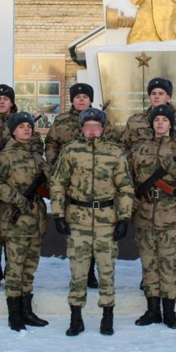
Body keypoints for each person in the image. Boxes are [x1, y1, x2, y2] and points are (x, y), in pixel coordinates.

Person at [49, 108, 134, 336]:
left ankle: (108, 316)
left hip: (106, 219)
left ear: (103, 128)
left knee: (107, 270)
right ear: (82, 128)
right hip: (78, 219)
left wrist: (124, 217)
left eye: (96, 127)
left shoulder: (115, 152)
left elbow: (125, 186)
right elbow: (58, 183)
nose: (92, 131)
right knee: (78, 271)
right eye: (88, 127)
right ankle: (76, 317)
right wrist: (57, 214)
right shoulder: (70, 151)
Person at [129, 104, 176, 329]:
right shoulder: (139, 148)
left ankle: (169, 312)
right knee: (149, 264)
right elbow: (127, 179)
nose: (160, 123)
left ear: (171, 124)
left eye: (164, 120)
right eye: (156, 119)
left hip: (171, 215)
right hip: (144, 213)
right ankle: (152, 310)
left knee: (168, 264)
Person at [44, 82, 118, 289]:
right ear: (72, 99)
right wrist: (54, 165)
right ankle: (79, 272)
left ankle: (92, 273)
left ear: (90, 99)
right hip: (71, 184)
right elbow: (51, 144)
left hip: (97, 184)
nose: (81, 99)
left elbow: (114, 144)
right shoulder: (61, 120)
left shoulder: (101, 119)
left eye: (85, 96)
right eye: (78, 97)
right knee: (77, 232)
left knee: (96, 230)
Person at [0, 85, 44, 290]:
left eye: (6, 99)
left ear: (12, 102)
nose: (2, 102)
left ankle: (13, 270)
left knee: (17, 233)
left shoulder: (25, 124)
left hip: (22, 189)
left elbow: (36, 152)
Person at [0, 112, 50, 332]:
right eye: (22, 127)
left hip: (36, 220)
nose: (27, 130)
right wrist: (16, 198)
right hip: (16, 222)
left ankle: (27, 310)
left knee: (30, 267)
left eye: (29, 127)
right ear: (13, 130)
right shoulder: (6, 156)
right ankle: (15, 314)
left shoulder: (37, 157)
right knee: (15, 267)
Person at [120, 77, 176, 150]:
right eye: (153, 93)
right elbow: (123, 146)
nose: (156, 96)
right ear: (149, 96)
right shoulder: (135, 121)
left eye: (161, 94)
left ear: (168, 98)